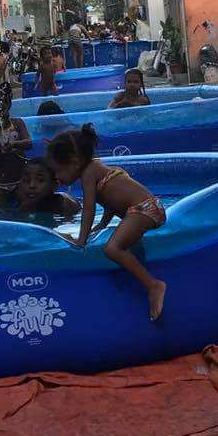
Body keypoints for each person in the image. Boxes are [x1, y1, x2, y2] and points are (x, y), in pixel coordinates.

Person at [46, 124, 166, 320]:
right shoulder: (97, 167)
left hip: (143, 209)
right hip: (148, 207)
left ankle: (153, 285)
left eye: (58, 171)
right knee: (129, 246)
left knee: (112, 249)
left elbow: (89, 208)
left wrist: (81, 240)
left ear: (75, 162)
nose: (57, 178)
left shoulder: (88, 174)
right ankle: (138, 274)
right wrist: (102, 225)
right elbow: (111, 200)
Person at [15, 158, 80, 218]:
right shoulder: (19, 199)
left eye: (40, 180)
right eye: (26, 180)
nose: (31, 185)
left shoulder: (62, 206)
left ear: (55, 185)